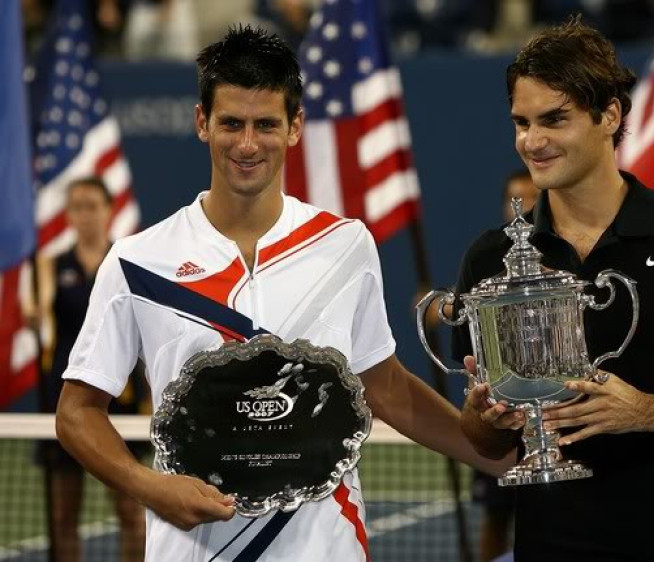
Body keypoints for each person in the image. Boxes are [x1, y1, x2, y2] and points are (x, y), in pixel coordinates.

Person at [54, 25, 505, 561]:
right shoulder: (136, 262)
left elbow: (385, 387)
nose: (247, 145)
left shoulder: (347, 245)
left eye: (266, 124)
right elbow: (76, 412)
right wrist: (149, 486)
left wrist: (507, 460)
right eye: (231, 123)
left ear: (295, 127)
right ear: (202, 123)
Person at [454, 15, 654, 561]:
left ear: (609, 115)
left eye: (554, 120)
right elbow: (484, 440)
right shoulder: (491, 258)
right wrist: (489, 417)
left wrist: (653, 411)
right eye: (521, 123)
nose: (532, 142)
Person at [26, 177, 147, 562]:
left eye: (92, 205)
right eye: (77, 206)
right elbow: (38, 311)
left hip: (120, 399)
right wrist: (35, 313)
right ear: (68, 214)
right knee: (63, 515)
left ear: (109, 210)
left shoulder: (127, 262)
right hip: (68, 398)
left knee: (131, 510)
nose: (85, 214)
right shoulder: (49, 266)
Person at [471, 169, 539, 562]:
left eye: (532, 199)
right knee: (496, 516)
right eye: (515, 200)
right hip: (503, 407)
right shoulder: (486, 261)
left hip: (551, 414)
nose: (523, 209)